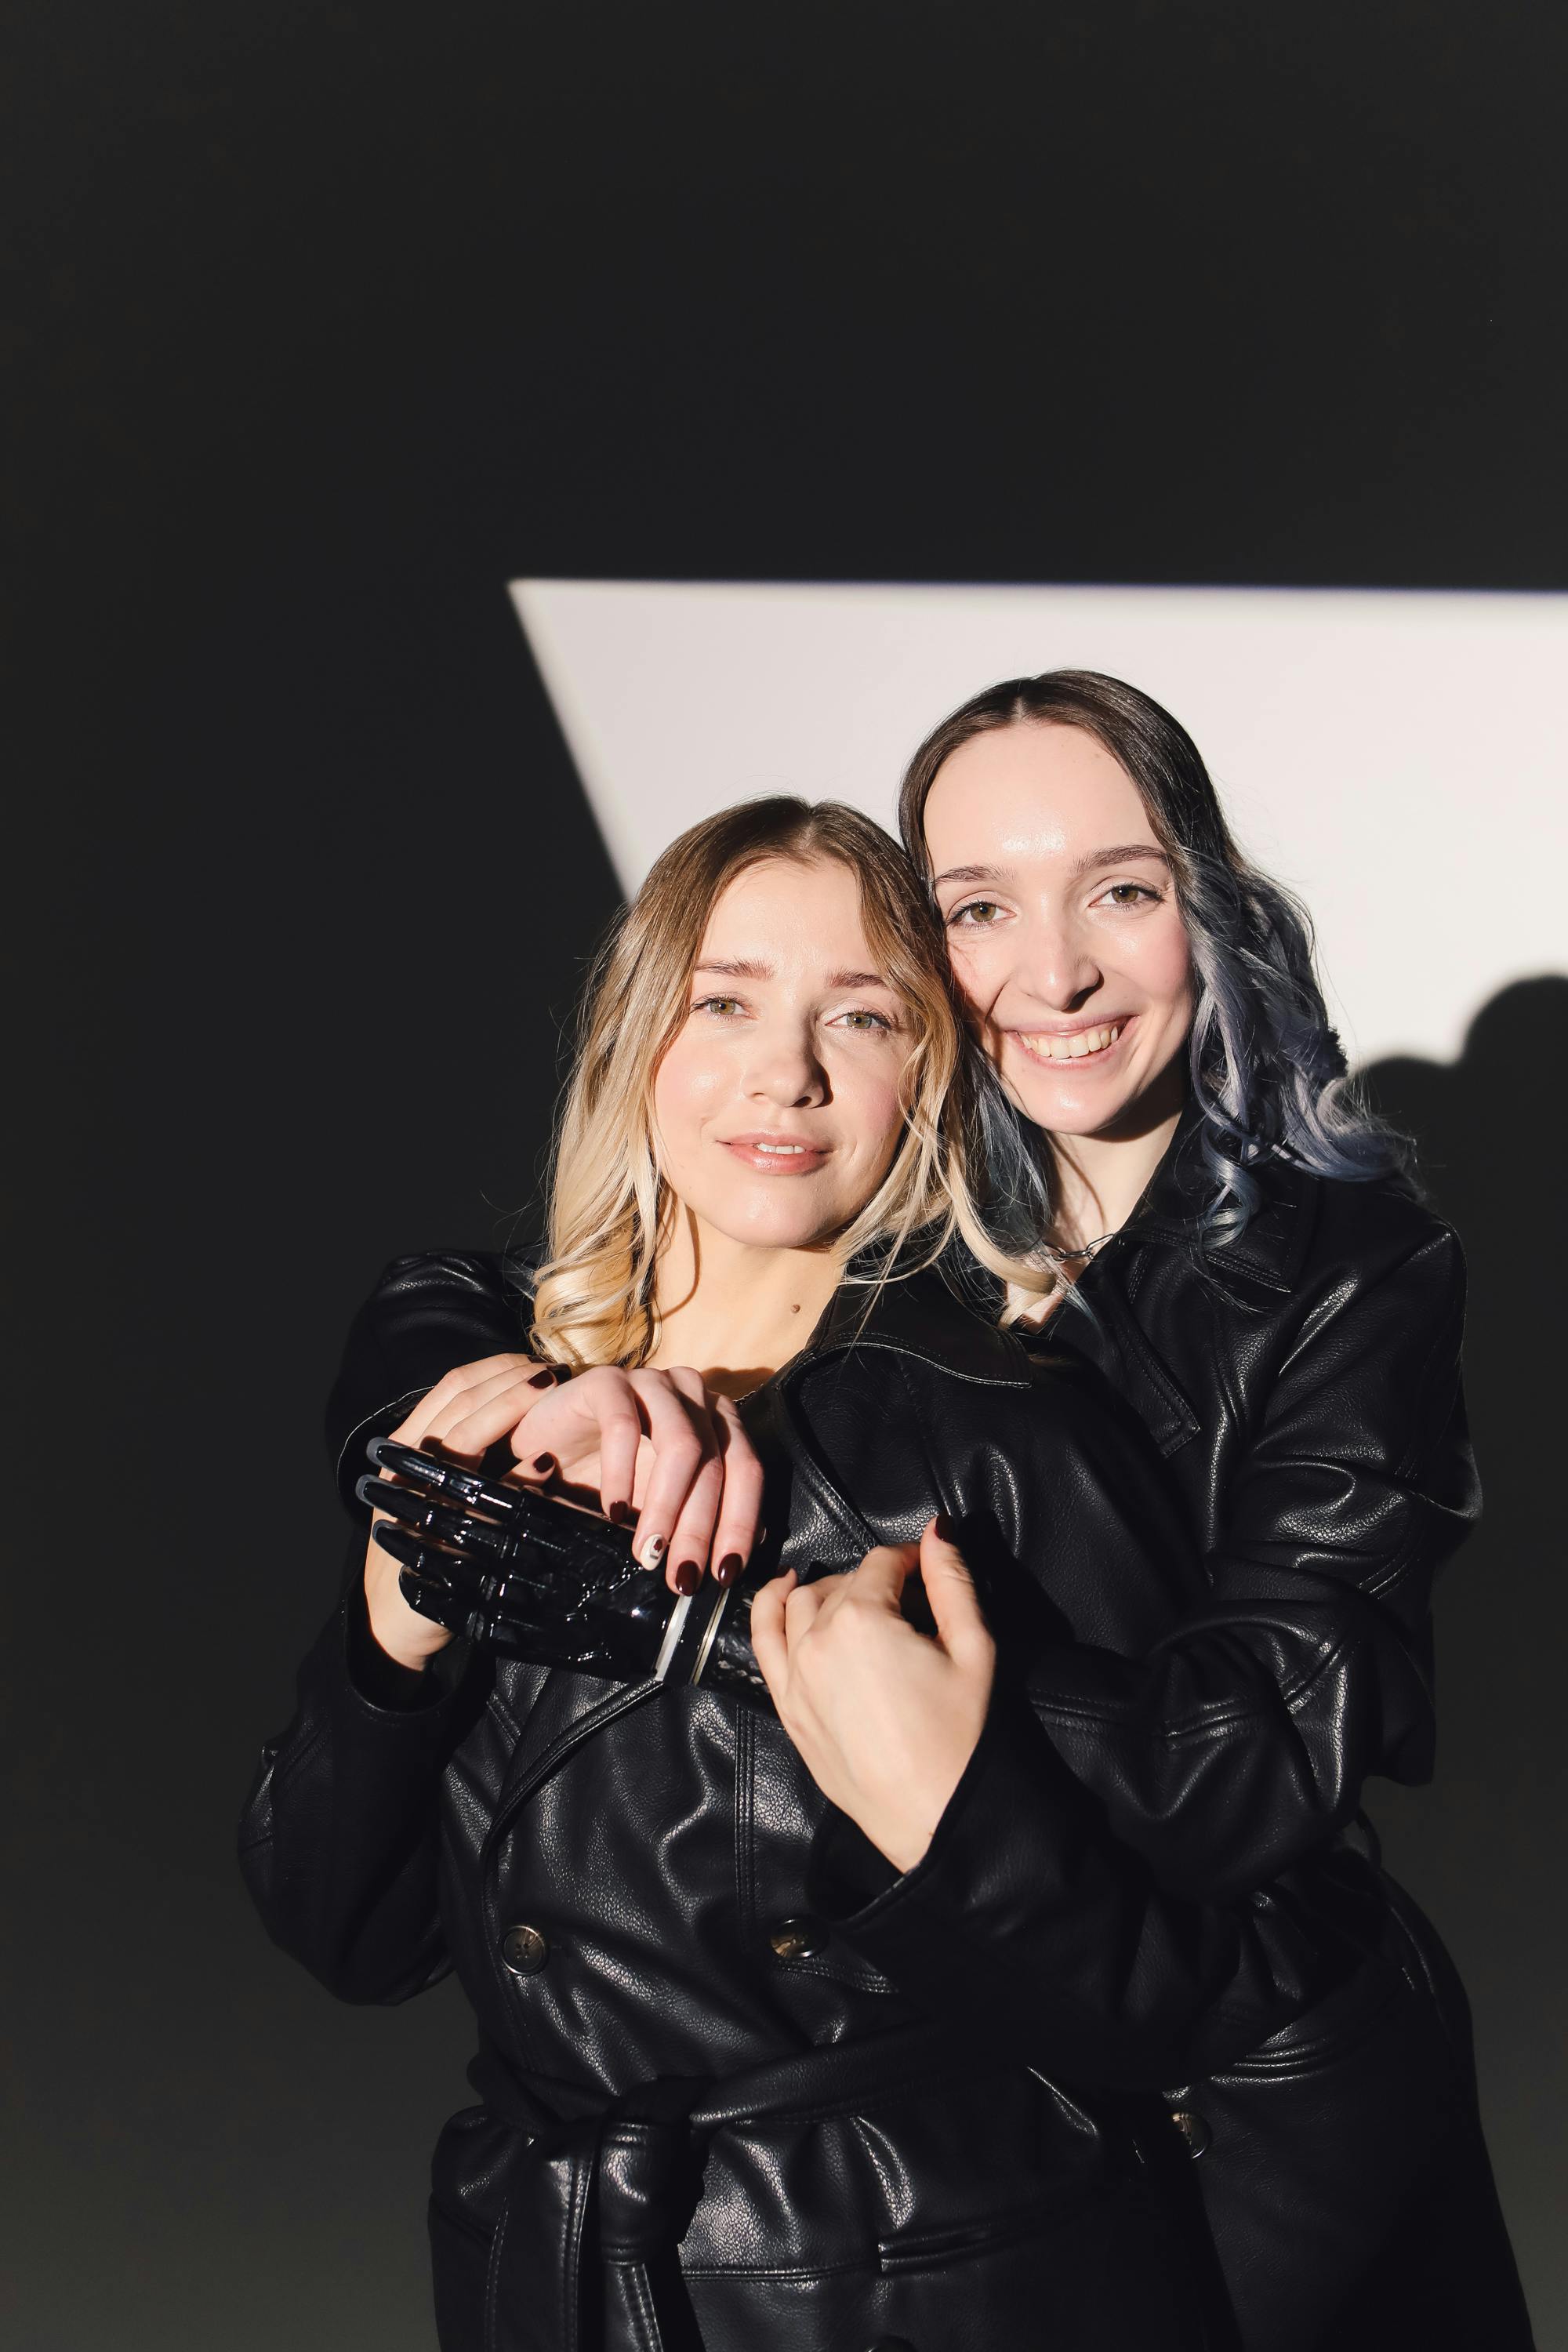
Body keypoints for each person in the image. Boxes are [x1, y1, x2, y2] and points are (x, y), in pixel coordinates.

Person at [241, 798, 1372, 2352]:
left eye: (862, 1014)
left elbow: (1193, 1976)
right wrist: (389, 1637)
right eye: (726, 1003)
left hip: (928, 2279)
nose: (787, 1073)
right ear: (635, 1039)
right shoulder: (490, 1398)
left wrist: (948, 1812)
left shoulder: (998, 1437)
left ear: (932, 1074)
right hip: (554, 2267)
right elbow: (345, 1938)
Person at [892, 668, 1533, 2348]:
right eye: (978, 907)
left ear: (1208, 908)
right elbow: (557, 1276)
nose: (1055, 975)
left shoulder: (1353, 1274)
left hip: (1250, 2096)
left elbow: (1254, 1755)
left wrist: (892, 1684)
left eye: (1119, 890)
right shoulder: (877, 1252)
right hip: (936, 2108)